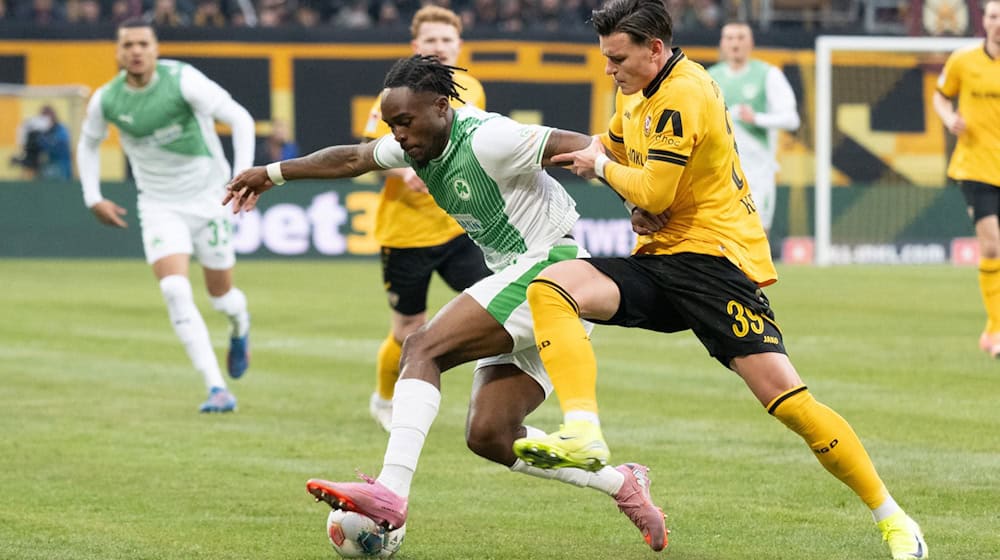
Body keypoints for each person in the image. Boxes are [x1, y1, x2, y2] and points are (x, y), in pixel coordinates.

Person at [510, 1, 926, 559]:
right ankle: (583, 429)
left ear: (654, 49)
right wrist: (604, 181)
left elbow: (646, 186)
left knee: (789, 402)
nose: (610, 69)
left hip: (714, 264)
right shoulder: (634, 90)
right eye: (606, 58)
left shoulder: (685, 91)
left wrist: (609, 175)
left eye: (618, 58)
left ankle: (894, 519)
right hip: (660, 259)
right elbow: (611, 151)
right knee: (553, 287)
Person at [224, 55, 669, 552]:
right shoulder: (416, 145)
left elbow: (584, 147)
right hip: (525, 281)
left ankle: (391, 492)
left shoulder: (490, 138)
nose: (398, 135)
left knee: (423, 346)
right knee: (491, 435)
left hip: (552, 266)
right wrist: (271, 172)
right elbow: (351, 158)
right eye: (392, 125)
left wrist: (637, 203)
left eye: (406, 123)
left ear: (441, 107)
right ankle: (622, 484)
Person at [77, 18, 255, 413]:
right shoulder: (106, 99)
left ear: (155, 48)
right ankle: (216, 388)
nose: (136, 51)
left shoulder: (184, 81)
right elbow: (87, 145)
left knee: (221, 297)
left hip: (210, 200)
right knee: (174, 290)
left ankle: (240, 324)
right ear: (118, 52)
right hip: (158, 205)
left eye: (143, 43)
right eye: (128, 45)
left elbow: (240, 118)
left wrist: (243, 177)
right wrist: (93, 197)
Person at [363, 5, 491, 432]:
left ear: (459, 46)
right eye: (431, 41)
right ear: (417, 47)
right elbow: (371, 146)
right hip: (406, 232)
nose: (439, 47)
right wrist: (406, 171)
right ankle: (384, 397)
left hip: (458, 226)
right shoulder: (395, 91)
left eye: (446, 41)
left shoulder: (471, 88)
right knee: (407, 330)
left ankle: (493, 393)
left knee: (493, 304)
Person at [933, 0, 1000, 358]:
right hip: (976, 167)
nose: (998, 23)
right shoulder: (963, 60)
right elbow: (941, 97)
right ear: (984, 21)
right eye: (993, 16)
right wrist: (947, 118)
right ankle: (994, 328)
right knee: (991, 245)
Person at [706, 21, 800, 234]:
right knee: (721, 236)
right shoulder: (710, 77)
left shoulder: (768, 74)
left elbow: (791, 119)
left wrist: (756, 118)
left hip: (758, 171)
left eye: (740, 38)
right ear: (722, 43)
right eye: (729, 38)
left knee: (757, 233)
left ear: (751, 42)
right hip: (720, 170)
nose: (735, 44)